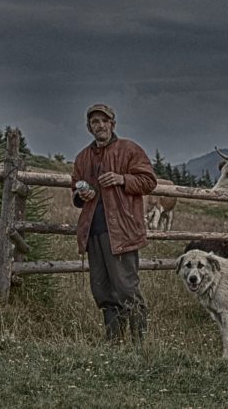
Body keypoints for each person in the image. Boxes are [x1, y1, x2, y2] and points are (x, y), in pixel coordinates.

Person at [71, 103, 157, 344]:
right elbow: (76, 190)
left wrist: (122, 179)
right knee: (102, 290)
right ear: (89, 128)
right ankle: (114, 341)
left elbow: (149, 181)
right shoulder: (83, 157)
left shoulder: (129, 150)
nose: (100, 126)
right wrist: (82, 195)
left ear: (113, 124)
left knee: (127, 288)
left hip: (121, 231)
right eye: (95, 122)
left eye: (104, 121)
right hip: (93, 232)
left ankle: (139, 344)